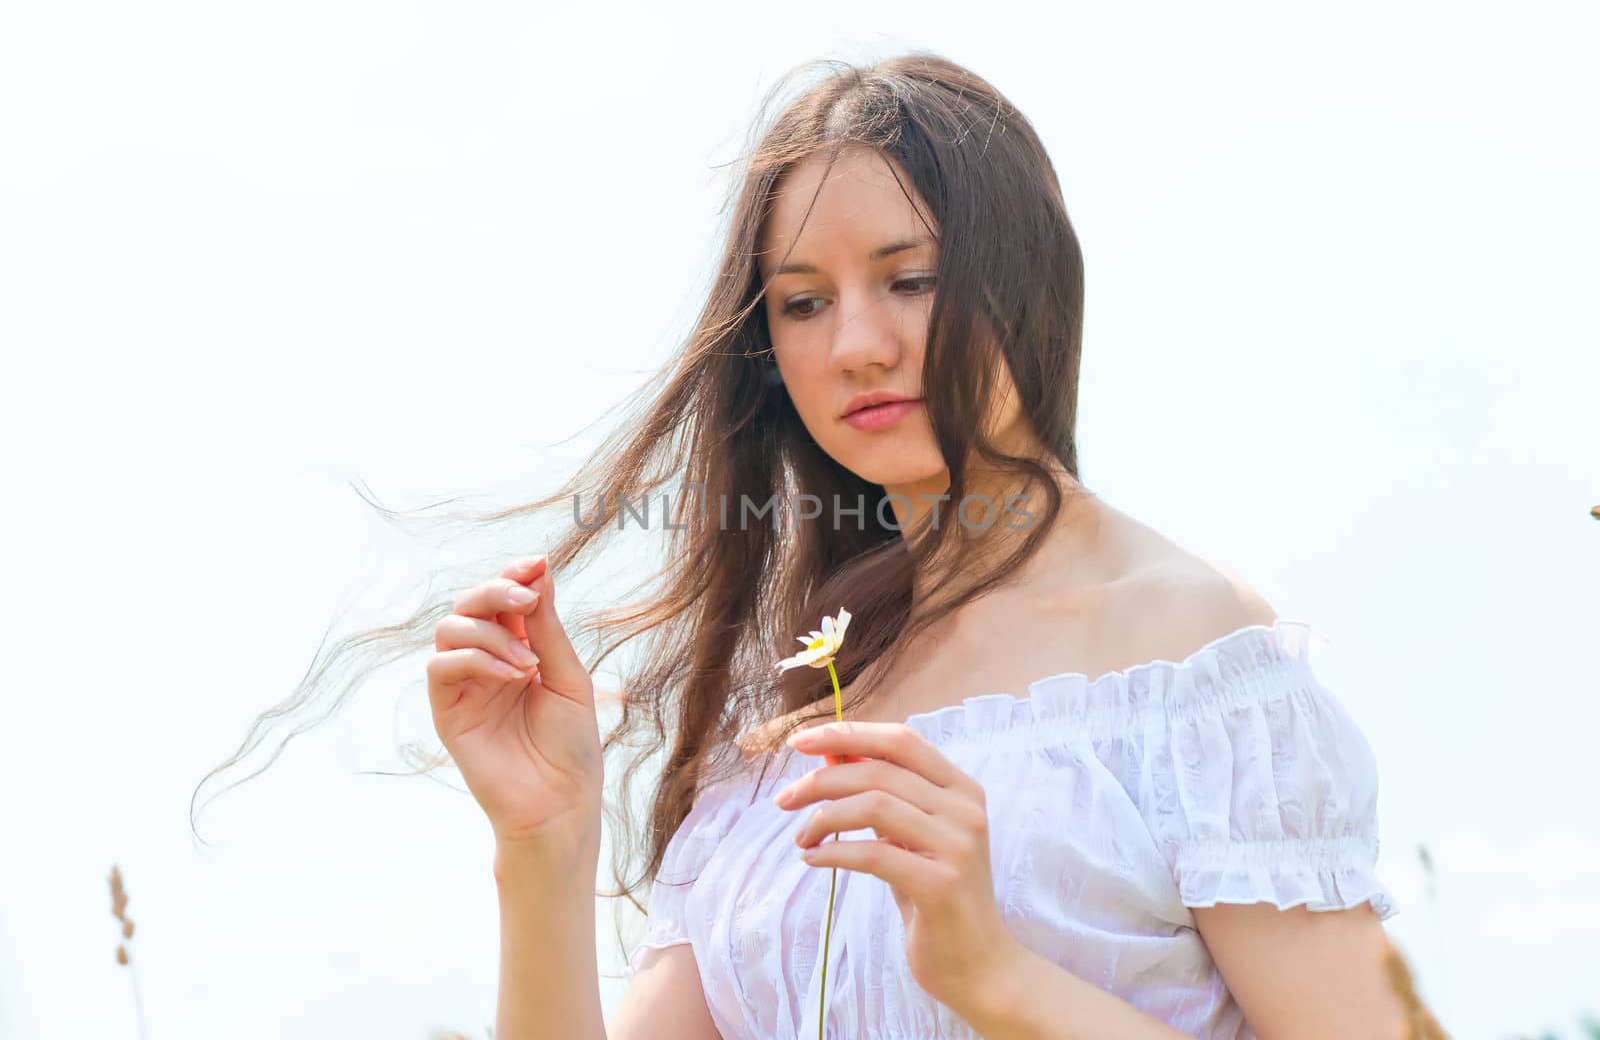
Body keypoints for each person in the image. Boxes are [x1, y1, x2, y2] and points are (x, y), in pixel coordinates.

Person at [202, 52, 1404, 1040]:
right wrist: (543, 844)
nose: (858, 346)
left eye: (912, 278)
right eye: (803, 302)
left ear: (1030, 281)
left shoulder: (1192, 662)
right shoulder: (779, 742)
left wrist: (996, 975)